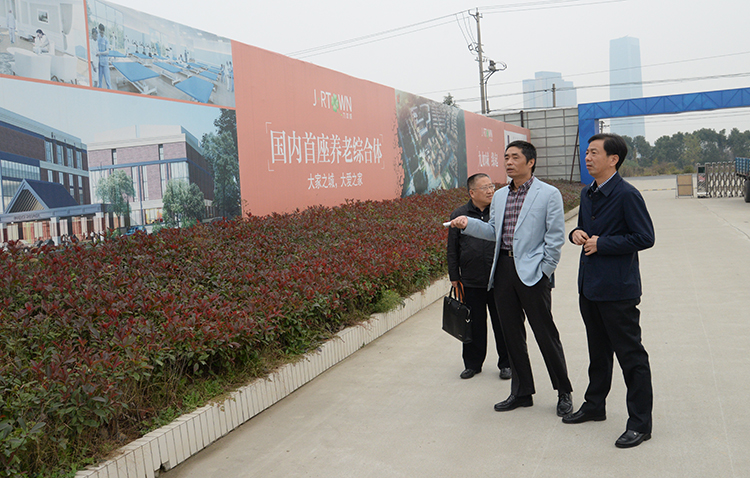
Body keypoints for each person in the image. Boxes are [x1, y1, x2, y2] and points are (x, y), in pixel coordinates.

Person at [450, 140, 573, 417]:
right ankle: (521, 392)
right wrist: (469, 224)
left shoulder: (548, 194)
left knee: (545, 333)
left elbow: (555, 237)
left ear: (530, 162)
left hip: (533, 273)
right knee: (511, 335)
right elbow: (494, 231)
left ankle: (563, 391)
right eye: (506, 157)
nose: (508, 162)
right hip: (503, 270)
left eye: (515, 157)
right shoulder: (501, 196)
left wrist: (545, 270)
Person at [562, 133, 655, 449]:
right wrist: (577, 233)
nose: (587, 158)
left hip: (618, 289)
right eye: (587, 152)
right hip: (590, 286)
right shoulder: (588, 192)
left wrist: (603, 243)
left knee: (631, 356)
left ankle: (640, 424)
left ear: (613, 159)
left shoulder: (627, 195)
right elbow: (585, 228)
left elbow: (645, 237)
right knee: (597, 352)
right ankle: (594, 406)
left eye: (594, 153)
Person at [447, 173, 511, 380]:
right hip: (471, 280)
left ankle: (506, 364)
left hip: (498, 278)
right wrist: (454, 276)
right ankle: (473, 364)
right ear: (472, 192)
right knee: (473, 324)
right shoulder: (460, 215)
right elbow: (452, 249)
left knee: (502, 323)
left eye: (491, 186)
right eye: (485, 187)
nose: (491, 191)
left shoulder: (500, 212)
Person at [95, 23, 111, 89]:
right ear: (99, 30)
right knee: (99, 80)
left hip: (105, 61)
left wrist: (100, 53)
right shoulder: (97, 38)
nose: (101, 33)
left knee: (107, 80)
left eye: (102, 32)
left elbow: (107, 52)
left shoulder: (106, 39)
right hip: (99, 61)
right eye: (100, 32)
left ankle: (110, 90)